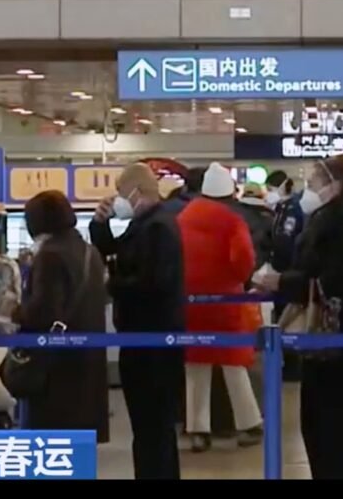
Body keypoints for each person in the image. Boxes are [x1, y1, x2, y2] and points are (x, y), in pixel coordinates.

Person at [256, 154, 343, 479]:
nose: (307, 190)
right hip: (331, 345)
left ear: (335, 186)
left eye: (313, 183)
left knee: (333, 434)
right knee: (324, 430)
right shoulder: (336, 221)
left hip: (338, 345)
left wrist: (282, 282)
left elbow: (334, 281)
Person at [89, 162, 185, 480]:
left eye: (121, 193)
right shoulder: (145, 225)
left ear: (138, 191)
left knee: (153, 427)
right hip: (143, 338)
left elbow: (154, 282)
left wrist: (112, 285)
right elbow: (114, 252)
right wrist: (100, 225)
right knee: (149, 429)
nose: (118, 199)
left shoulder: (158, 228)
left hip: (153, 341)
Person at [178, 163, 263, 452]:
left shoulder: (183, 218)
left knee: (196, 365)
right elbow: (243, 261)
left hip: (190, 302)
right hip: (226, 301)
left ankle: (198, 430)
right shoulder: (232, 221)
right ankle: (248, 424)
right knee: (233, 363)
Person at [16, 190, 109, 439]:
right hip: (89, 360)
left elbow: (43, 313)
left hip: (57, 368)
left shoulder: (49, 255)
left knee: (54, 442)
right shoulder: (90, 252)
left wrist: (13, 311)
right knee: (79, 444)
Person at [233, 181, 276, 271]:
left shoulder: (233, 211)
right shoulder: (270, 214)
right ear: (261, 195)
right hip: (260, 263)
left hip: (236, 261)